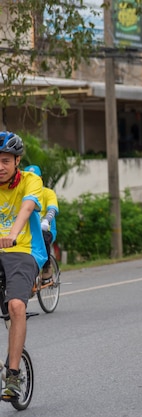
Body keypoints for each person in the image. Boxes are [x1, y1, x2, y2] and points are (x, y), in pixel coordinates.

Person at [0, 132, 47, 400]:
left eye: (5, 160)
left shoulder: (31, 180)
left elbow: (27, 208)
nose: (0, 167)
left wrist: (13, 234)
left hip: (24, 250)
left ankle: (14, 376)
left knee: (16, 305)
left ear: (17, 160)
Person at [24, 165, 59, 279]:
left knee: (42, 237)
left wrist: (46, 221)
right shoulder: (21, 194)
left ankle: (47, 267)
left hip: (45, 229)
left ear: (41, 179)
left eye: (36, 178)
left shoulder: (48, 193)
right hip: (26, 230)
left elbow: (52, 209)